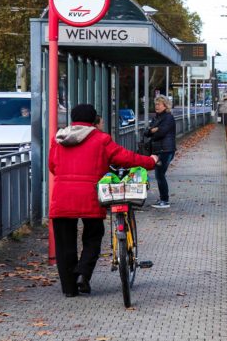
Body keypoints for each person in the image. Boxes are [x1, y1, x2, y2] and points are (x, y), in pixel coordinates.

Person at [49, 104, 158, 297]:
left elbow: (53, 166)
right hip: (90, 195)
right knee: (93, 235)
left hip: (62, 196)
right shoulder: (100, 139)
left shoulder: (58, 139)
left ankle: (69, 289)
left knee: (64, 244)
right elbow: (125, 158)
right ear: (93, 120)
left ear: (72, 119)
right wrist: (150, 161)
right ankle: (83, 274)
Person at [148, 95, 177, 209]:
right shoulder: (156, 118)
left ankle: (165, 200)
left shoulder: (168, 118)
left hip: (166, 150)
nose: (156, 106)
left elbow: (161, 133)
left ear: (165, 106)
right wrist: (152, 130)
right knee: (159, 174)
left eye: (159, 104)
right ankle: (163, 198)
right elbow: (147, 132)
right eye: (155, 104)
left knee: (160, 174)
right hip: (159, 149)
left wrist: (154, 131)